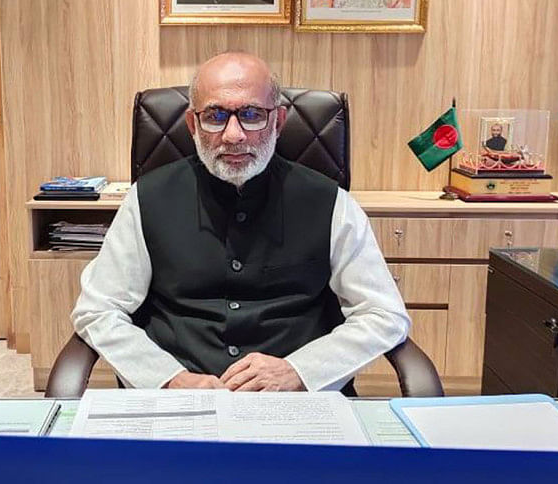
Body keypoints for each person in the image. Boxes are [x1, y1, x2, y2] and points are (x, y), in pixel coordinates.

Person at [71, 52, 410, 395]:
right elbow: (98, 310)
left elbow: (384, 315)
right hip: (178, 402)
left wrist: (300, 371)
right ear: (192, 125)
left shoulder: (332, 203)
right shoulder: (146, 200)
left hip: (295, 402)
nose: (233, 135)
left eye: (251, 114)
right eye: (215, 116)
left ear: (278, 121)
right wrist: (168, 379)